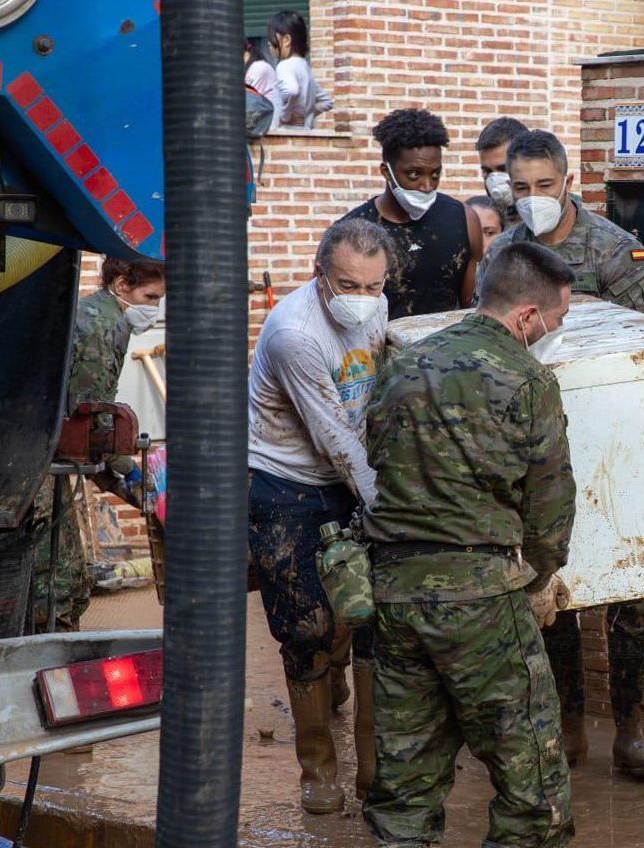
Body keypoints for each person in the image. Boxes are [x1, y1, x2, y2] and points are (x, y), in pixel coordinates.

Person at [361, 242, 577, 848]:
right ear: (528, 317)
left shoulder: (403, 363)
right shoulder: (529, 379)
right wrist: (537, 576)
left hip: (395, 593)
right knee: (532, 778)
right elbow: (550, 503)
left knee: (406, 775)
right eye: (555, 321)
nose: (552, 333)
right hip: (482, 597)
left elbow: (376, 457)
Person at [479, 130, 644, 778]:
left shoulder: (617, 253)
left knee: (636, 595)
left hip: (618, 440)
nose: (532, 199)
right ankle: (569, 725)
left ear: (566, 183)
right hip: (540, 446)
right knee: (552, 589)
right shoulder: (503, 253)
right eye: (519, 187)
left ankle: (633, 730)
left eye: (542, 186)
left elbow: (641, 347)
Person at [247, 218, 395, 814]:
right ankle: (318, 768)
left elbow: (381, 388)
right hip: (286, 483)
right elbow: (333, 437)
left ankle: (374, 774)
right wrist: (390, 508)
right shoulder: (294, 334)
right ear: (319, 276)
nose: (362, 299)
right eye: (348, 284)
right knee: (307, 628)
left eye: (373, 286)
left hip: (352, 476)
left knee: (373, 623)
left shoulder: (378, 310)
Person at [30, 257, 164, 632]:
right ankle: (48, 654)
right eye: (149, 296)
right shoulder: (105, 324)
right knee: (61, 579)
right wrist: (128, 470)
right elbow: (92, 414)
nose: (153, 309)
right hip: (37, 456)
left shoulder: (91, 311)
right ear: (122, 285)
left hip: (39, 449)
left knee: (65, 574)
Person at [341, 108, 483, 319]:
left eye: (435, 174)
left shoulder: (464, 219)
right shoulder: (352, 231)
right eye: (414, 174)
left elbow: (470, 304)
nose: (426, 186)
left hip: (447, 346)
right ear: (386, 172)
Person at [266, 10, 332, 129]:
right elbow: (327, 101)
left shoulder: (284, 66)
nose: (269, 42)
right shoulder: (304, 67)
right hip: (305, 135)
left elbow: (291, 90)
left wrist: (285, 116)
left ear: (286, 40)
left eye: (272, 36)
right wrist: (307, 115)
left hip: (285, 135)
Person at [476, 116, 529, 228]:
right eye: (487, 171)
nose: (494, 179)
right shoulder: (484, 223)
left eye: (503, 169)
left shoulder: (558, 218)